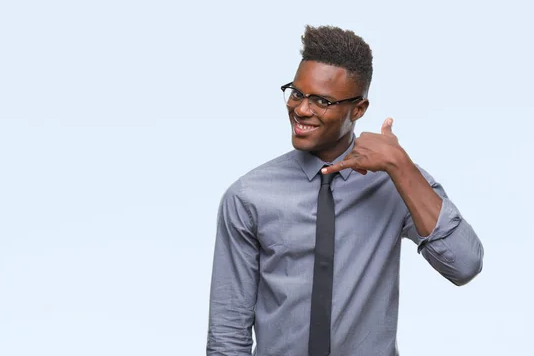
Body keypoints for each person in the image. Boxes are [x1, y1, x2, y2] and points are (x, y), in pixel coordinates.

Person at [206, 25, 484, 356]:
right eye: (297, 93)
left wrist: (400, 165)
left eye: (322, 100)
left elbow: (464, 265)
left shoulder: (396, 181)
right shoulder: (248, 196)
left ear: (359, 110)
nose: (302, 109)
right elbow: (228, 331)